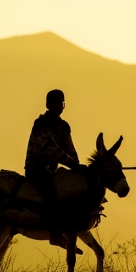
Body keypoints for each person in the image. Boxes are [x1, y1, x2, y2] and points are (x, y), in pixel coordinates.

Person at [24, 89, 87, 244]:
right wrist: (73, 165)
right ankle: (54, 233)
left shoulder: (64, 126)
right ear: (47, 104)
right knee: (52, 191)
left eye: (61, 102)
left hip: (51, 171)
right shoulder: (41, 124)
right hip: (36, 170)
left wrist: (79, 168)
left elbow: (70, 149)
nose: (58, 105)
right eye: (55, 102)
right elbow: (52, 150)